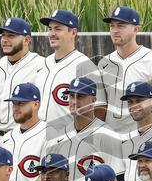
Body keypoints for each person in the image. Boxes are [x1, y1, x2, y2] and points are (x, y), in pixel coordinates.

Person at [98, 5, 152, 134]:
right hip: (110, 138)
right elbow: (100, 106)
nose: (114, 30)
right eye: (112, 26)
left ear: (136, 29)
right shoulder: (104, 63)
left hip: (144, 137)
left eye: (121, 26)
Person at [44, 76, 125, 181]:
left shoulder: (108, 135)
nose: (74, 102)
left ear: (93, 100)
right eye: (71, 96)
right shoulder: (59, 137)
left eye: (80, 97)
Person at [35, 10, 103, 140]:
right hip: (38, 138)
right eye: (50, 29)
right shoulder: (43, 64)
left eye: (58, 29)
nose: (52, 34)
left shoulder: (85, 66)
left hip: (68, 139)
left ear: (73, 33)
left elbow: (99, 109)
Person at [0, 17, 44, 135]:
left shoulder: (42, 66)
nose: (5, 40)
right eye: (3, 35)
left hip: (28, 136)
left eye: (11, 36)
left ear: (26, 40)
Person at [0, 82, 45, 181]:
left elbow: (46, 179)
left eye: (22, 103)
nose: (16, 108)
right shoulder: (7, 138)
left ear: (36, 104)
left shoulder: (48, 135)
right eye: (14, 103)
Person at [116, 81, 152, 181]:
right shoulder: (125, 137)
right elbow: (123, 178)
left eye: (139, 100)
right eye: (130, 102)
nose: (134, 106)